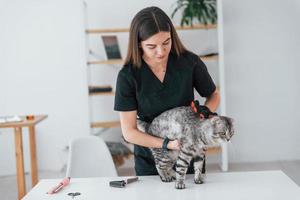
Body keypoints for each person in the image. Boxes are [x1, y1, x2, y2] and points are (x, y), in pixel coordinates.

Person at [114, 6, 220, 176]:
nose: (161, 51)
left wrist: (204, 116)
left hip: (189, 154)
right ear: (139, 44)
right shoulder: (128, 76)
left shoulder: (189, 62)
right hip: (151, 159)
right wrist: (167, 144)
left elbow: (213, 95)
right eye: (151, 46)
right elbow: (129, 132)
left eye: (166, 42)